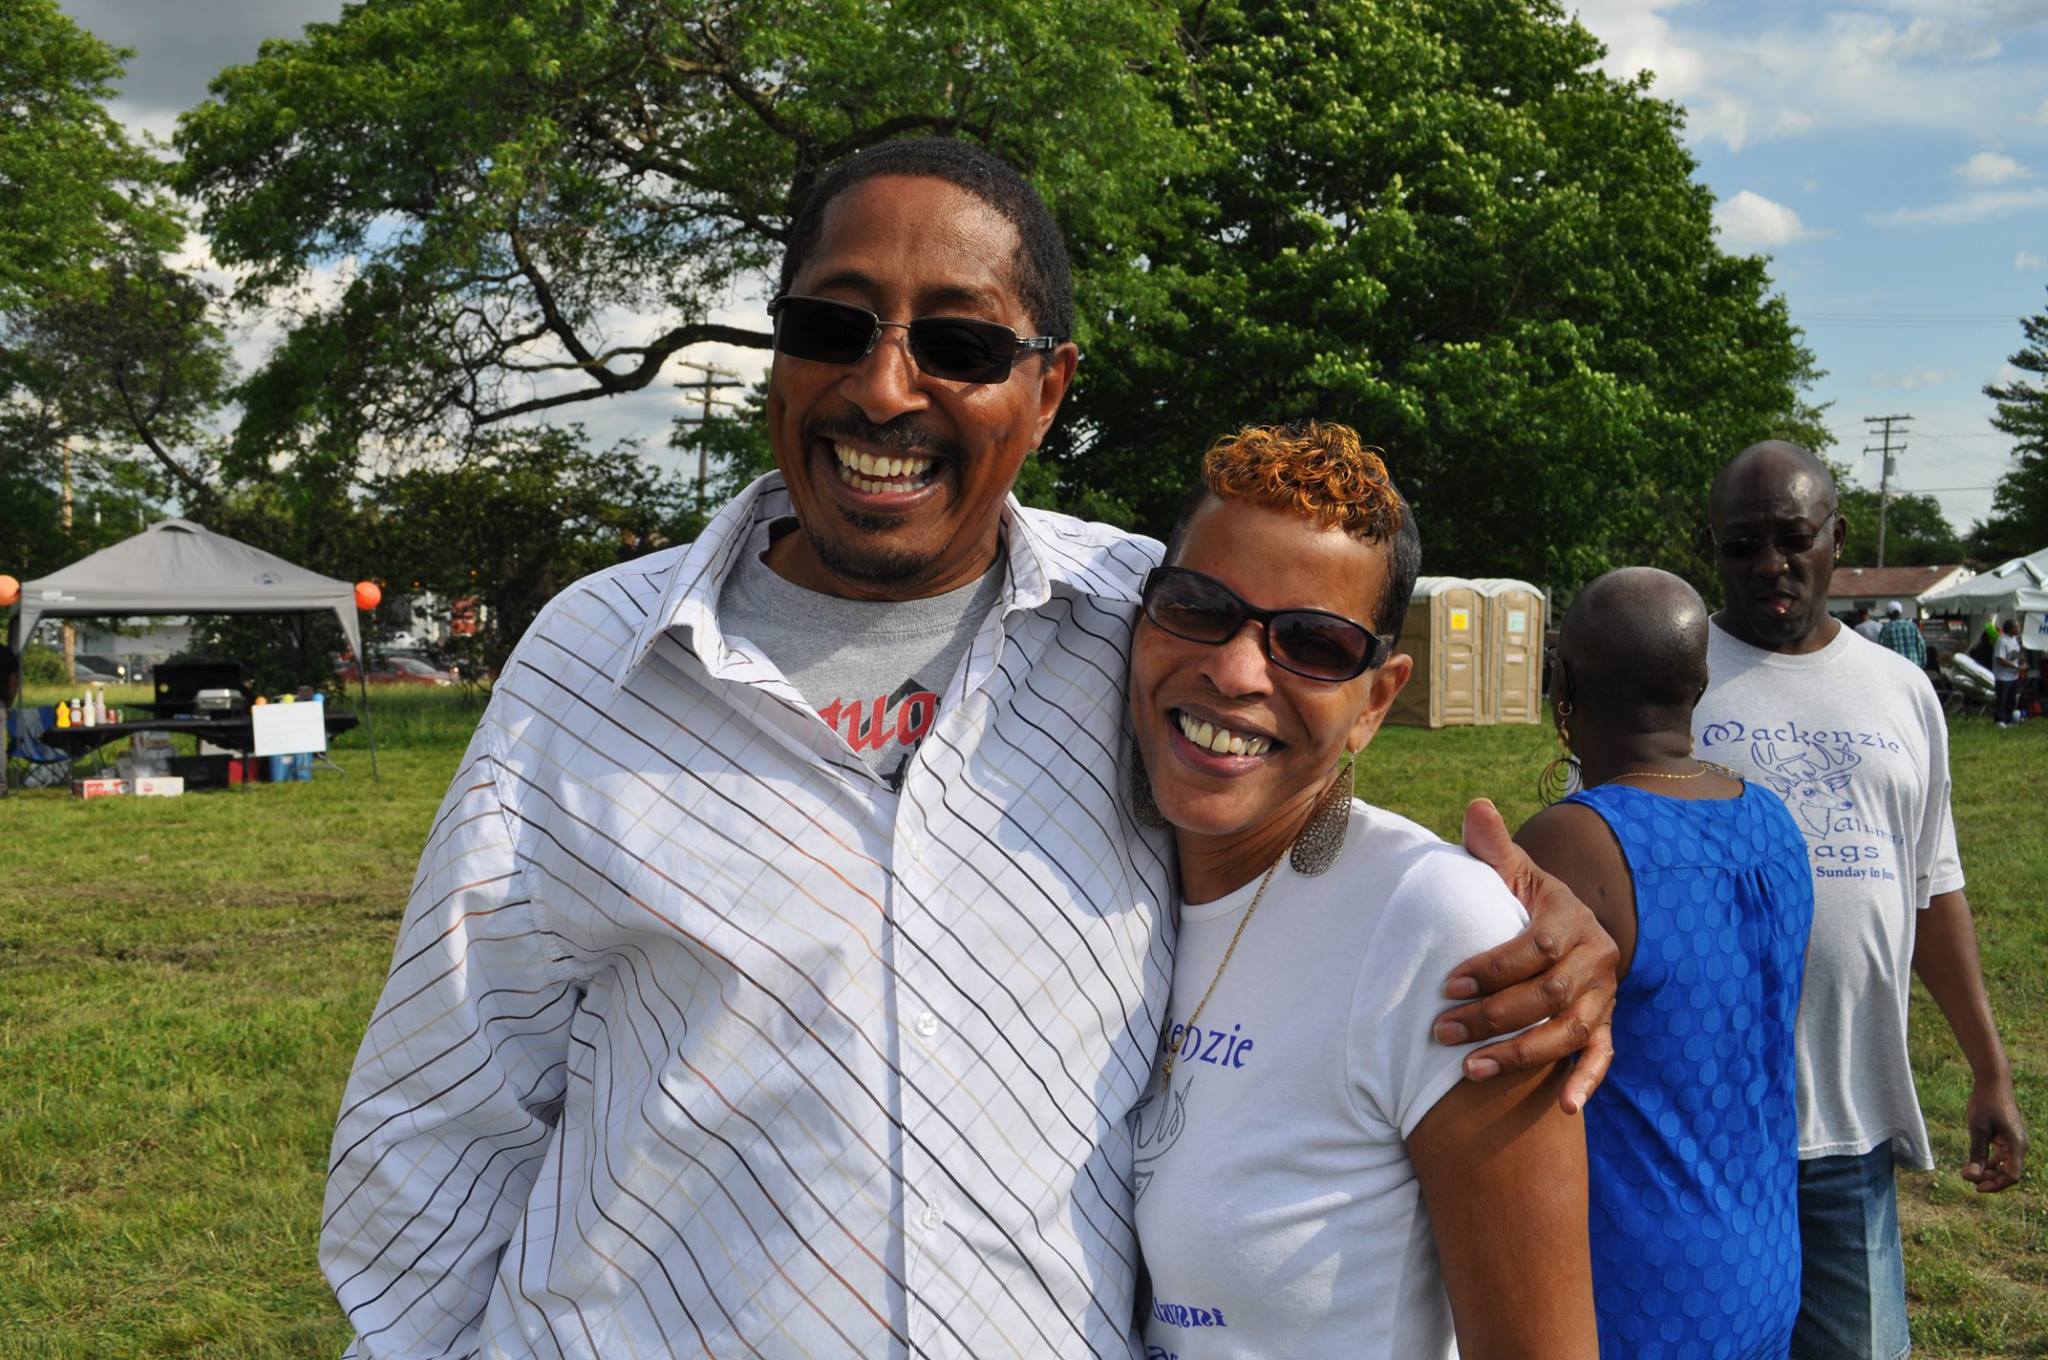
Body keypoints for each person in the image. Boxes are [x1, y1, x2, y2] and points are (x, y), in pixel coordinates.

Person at [318, 139, 1619, 1357]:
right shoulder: (595, 656)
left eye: (959, 343)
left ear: (1047, 389)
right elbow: (440, 1111)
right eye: (832, 327)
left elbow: (1287, 755)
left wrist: (1534, 929)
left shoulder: (1131, 621)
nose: (883, 389)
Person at [1129, 422, 1596, 1358]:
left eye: (1312, 642)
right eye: (1197, 606)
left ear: (1377, 700)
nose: (1234, 669)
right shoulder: (1097, 864)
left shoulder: (1435, 927)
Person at [1693, 441, 2027, 1360]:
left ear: (1836, 538)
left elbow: (1932, 888)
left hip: (1847, 1125)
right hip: (1699, 1123)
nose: (1770, 563)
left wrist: (1989, 1068)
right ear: (1714, 547)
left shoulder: (1902, 691)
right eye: (1743, 544)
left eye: (1793, 538)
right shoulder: (1671, 675)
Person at [1515, 567, 1814, 1359]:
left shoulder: (1573, 844)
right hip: (1767, 1253)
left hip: (1639, 1281)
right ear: (1700, 683)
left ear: (1563, 687)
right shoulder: (1773, 821)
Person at [1993, 617, 2026, 727]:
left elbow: (2016, 655)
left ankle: (2008, 720)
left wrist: (2022, 663)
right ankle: (1999, 720)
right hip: (2003, 677)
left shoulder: (2014, 640)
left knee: (2011, 700)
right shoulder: (2002, 640)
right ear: (2011, 628)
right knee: (2002, 699)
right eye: (2017, 626)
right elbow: (2000, 660)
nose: (2019, 628)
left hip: (2013, 676)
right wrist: (2016, 666)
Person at [1875, 600, 1928, 668]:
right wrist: (1922, 664)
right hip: (1914, 665)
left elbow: (1881, 650)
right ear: (1900, 613)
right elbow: (1921, 646)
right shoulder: (1913, 626)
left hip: (1895, 666)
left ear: (1889, 614)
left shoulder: (1886, 629)